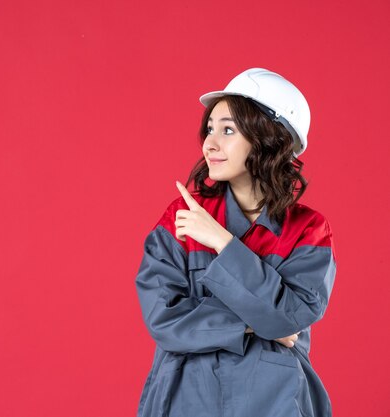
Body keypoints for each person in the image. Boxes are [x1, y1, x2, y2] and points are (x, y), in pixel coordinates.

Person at [134, 68, 337, 417]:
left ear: (269, 140)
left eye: (228, 130)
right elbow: (164, 319)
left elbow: (291, 318)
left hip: (275, 400)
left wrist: (221, 241)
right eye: (210, 129)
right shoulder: (182, 217)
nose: (209, 143)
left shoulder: (308, 230)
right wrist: (252, 324)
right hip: (184, 398)